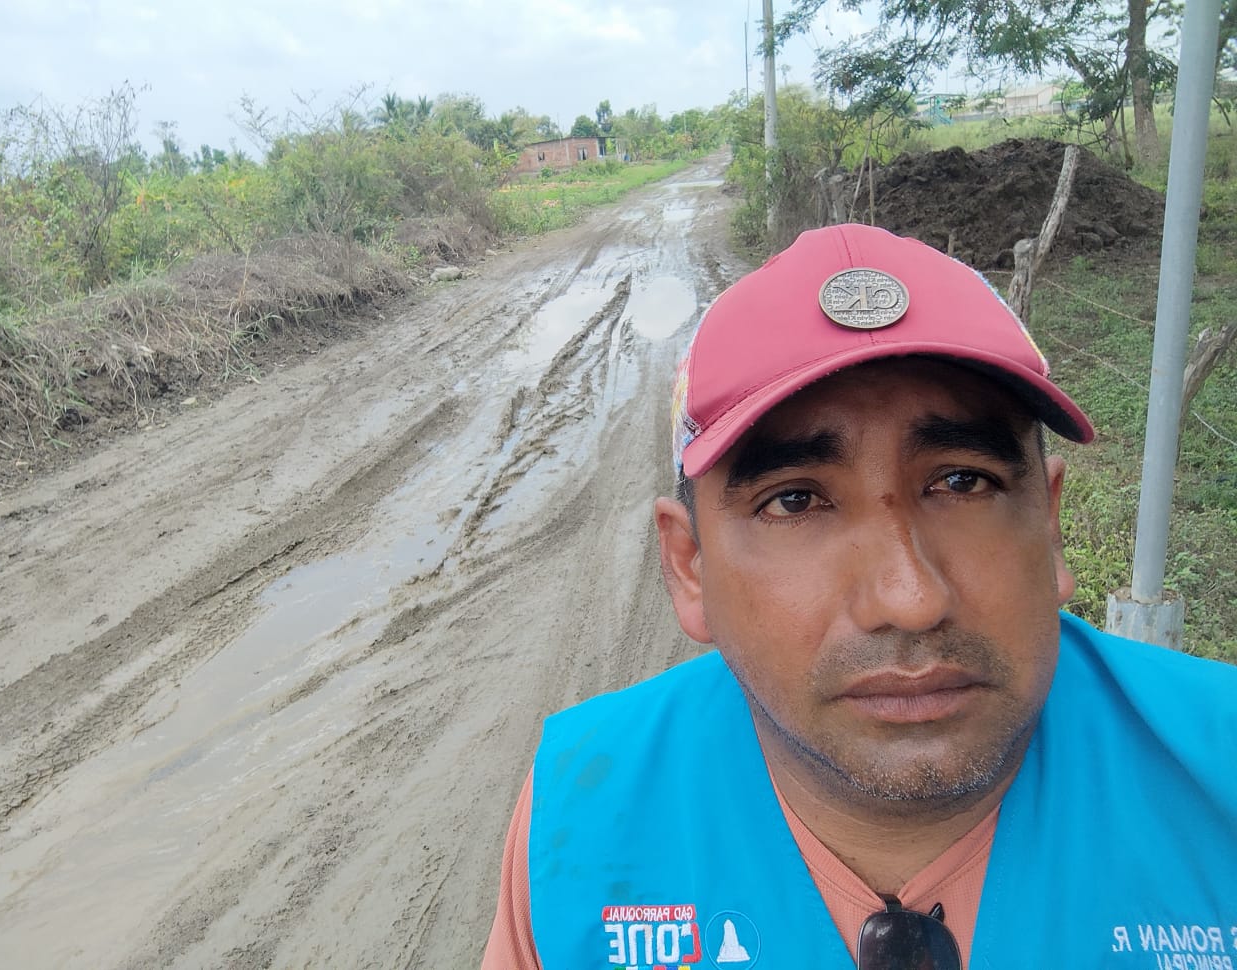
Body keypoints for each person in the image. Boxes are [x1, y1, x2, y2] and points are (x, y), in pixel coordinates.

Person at [481, 223, 1237, 970]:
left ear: (1049, 525)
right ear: (690, 566)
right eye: (795, 500)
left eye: (963, 481)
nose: (910, 599)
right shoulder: (579, 816)